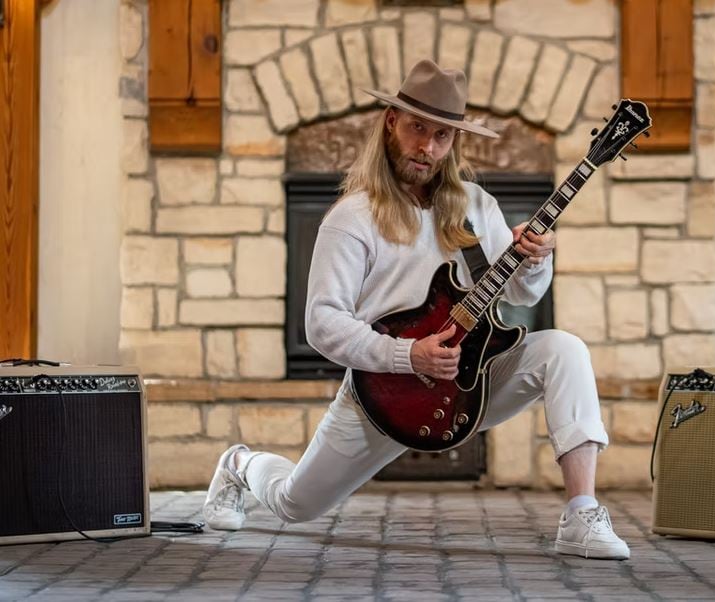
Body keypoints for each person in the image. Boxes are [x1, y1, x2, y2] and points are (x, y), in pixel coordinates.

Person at [203, 59, 630, 560]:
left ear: (454, 142)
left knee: (564, 349)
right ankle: (239, 463)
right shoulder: (352, 219)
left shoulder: (474, 205)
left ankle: (582, 514)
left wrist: (535, 260)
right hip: (383, 392)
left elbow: (520, 295)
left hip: (471, 381)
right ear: (392, 123)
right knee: (295, 503)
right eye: (418, 128)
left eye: (442, 135)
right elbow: (321, 324)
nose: (428, 147)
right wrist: (409, 356)